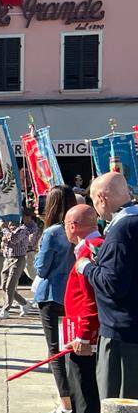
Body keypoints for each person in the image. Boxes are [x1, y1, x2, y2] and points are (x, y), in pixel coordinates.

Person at [77, 172, 138, 401]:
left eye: (94, 201)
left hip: (121, 334)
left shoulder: (122, 229)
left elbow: (113, 285)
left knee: (119, 408)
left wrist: (86, 267)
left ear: (102, 198)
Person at [61, 203, 103, 413]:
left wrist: (84, 335)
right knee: (83, 395)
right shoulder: (89, 247)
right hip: (80, 332)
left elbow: (91, 299)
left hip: (84, 338)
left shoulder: (91, 250)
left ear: (73, 226)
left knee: (86, 396)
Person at [32, 186, 78, 413]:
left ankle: (66, 404)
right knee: (70, 347)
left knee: (55, 351)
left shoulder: (52, 232)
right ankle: (74, 399)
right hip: (73, 296)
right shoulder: (78, 228)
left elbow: (41, 267)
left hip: (51, 295)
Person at [0, 217, 33, 319]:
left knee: (10, 286)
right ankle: (24, 303)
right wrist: (3, 243)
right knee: (4, 286)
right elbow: (5, 244)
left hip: (18, 259)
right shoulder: (9, 231)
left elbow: (14, 239)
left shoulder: (22, 229)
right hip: (7, 259)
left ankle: (6, 310)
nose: (2, 222)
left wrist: (4, 229)